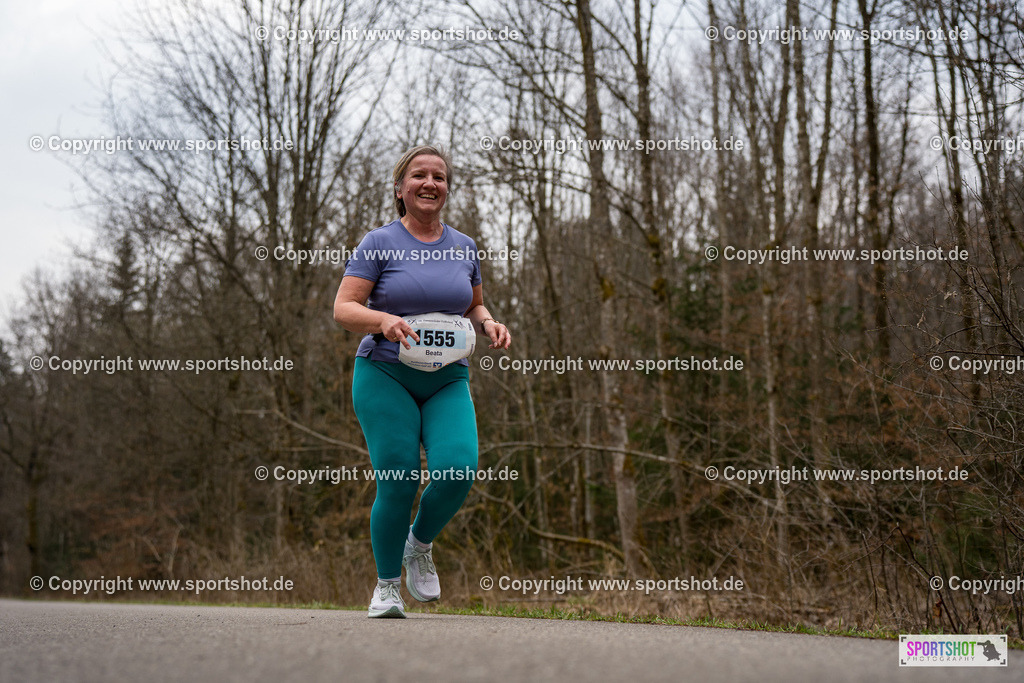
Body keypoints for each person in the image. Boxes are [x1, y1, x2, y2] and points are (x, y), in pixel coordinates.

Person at [333, 145, 511, 618]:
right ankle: (387, 587)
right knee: (398, 477)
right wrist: (383, 320)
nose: (430, 183)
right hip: (385, 372)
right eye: (419, 176)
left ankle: (419, 544)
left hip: (447, 377)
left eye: (439, 176)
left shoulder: (464, 246)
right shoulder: (378, 242)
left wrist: (489, 322)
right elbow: (343, 308)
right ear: (400, 188)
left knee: (457, 469)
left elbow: (472, 304)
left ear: (447, 188)